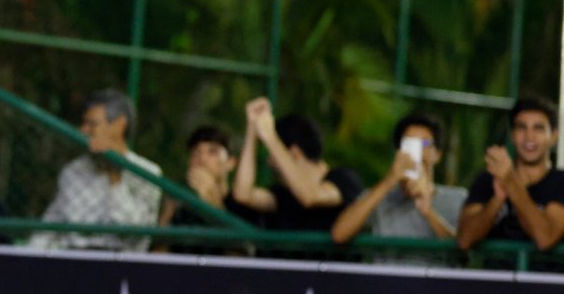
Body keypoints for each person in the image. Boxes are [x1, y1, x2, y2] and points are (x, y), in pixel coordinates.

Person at [28, 89, 162, 251]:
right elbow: (50, 227)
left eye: (92, 124)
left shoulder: (147, 173)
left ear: (119, 125)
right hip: (72, 261)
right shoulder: (73, 171)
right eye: (83, 124)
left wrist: (115, 178)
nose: (83, 131)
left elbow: (133, 232)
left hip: (120, 264)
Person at [330, 111, 467, 263]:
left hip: (435, 285)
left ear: (438, 154)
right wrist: (389, 181)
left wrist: (429, 213)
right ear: (398, 152)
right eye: (408, 143)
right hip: (388, 285)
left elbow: (462, 253)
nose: (417, 151)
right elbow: (339, 234)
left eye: (424, 143)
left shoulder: (457, 199)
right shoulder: (379, 197)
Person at [232, 97, 363, 234]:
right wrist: (252, 128)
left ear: (294, 153)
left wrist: (271, 137)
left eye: (274, 153)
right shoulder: (284, 194)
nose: (269, 162)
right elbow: (243, 195)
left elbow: (310, 196)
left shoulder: (344, 178)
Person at [456, 96, 564, 254]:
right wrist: (497, 200)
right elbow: (464, 240)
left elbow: (545, 238)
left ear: (554, 136)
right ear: (512, 135)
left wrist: (510, 183)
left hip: (544, 277)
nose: (529, 137)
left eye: (538, 128)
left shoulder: (560, 182)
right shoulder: (488, 179)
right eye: (521, 128)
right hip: (493, 276)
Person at [158, 124, 259, 253]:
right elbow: (158, 257)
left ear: (231, 163)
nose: (202, 159)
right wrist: (167, 216)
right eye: (195, 152)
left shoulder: (243, 205)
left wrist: (213, 204)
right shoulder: (181, 205)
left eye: (213, 152)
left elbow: (243, 260)